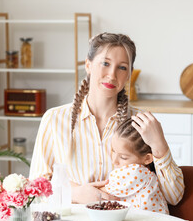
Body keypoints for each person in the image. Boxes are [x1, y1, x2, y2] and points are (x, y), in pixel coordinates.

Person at [29, 33, 184, 205]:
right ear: (88, 65)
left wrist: (159, 144)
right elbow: (35, 190)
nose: (112, 75)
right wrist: (75, 193)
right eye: (105, 63)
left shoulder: (141, 123)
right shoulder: (54, 119)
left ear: (129, 75)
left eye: (122, 67)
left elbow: (174, 197)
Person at [103, 117, 168, 214]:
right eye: (113, 151)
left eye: (123, 157)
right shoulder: (147, 173)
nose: (114, 161)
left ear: (147, 159)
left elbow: (102, 192)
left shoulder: (136, 172)